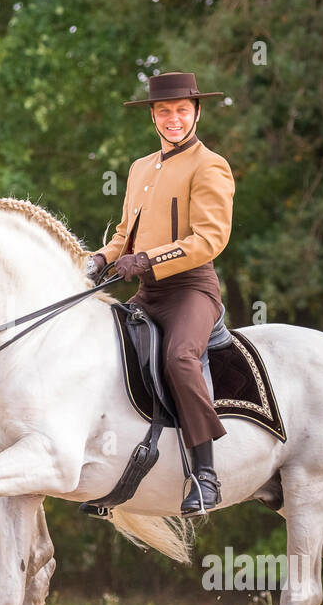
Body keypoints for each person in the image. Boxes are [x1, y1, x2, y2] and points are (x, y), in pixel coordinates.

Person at [88, 71, 235, 515]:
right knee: (101, 348)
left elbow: (211, 238)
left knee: (179, 359)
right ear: (154, 115)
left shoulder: (210, 165)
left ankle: (206, 477)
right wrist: (99, 259)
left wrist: (149, 259)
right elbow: (123, 235)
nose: (174, 119)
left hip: (191, 290)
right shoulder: (140, 168)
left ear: (197, 113)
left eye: (182, 111)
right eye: (165, 111)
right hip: (146, 291)